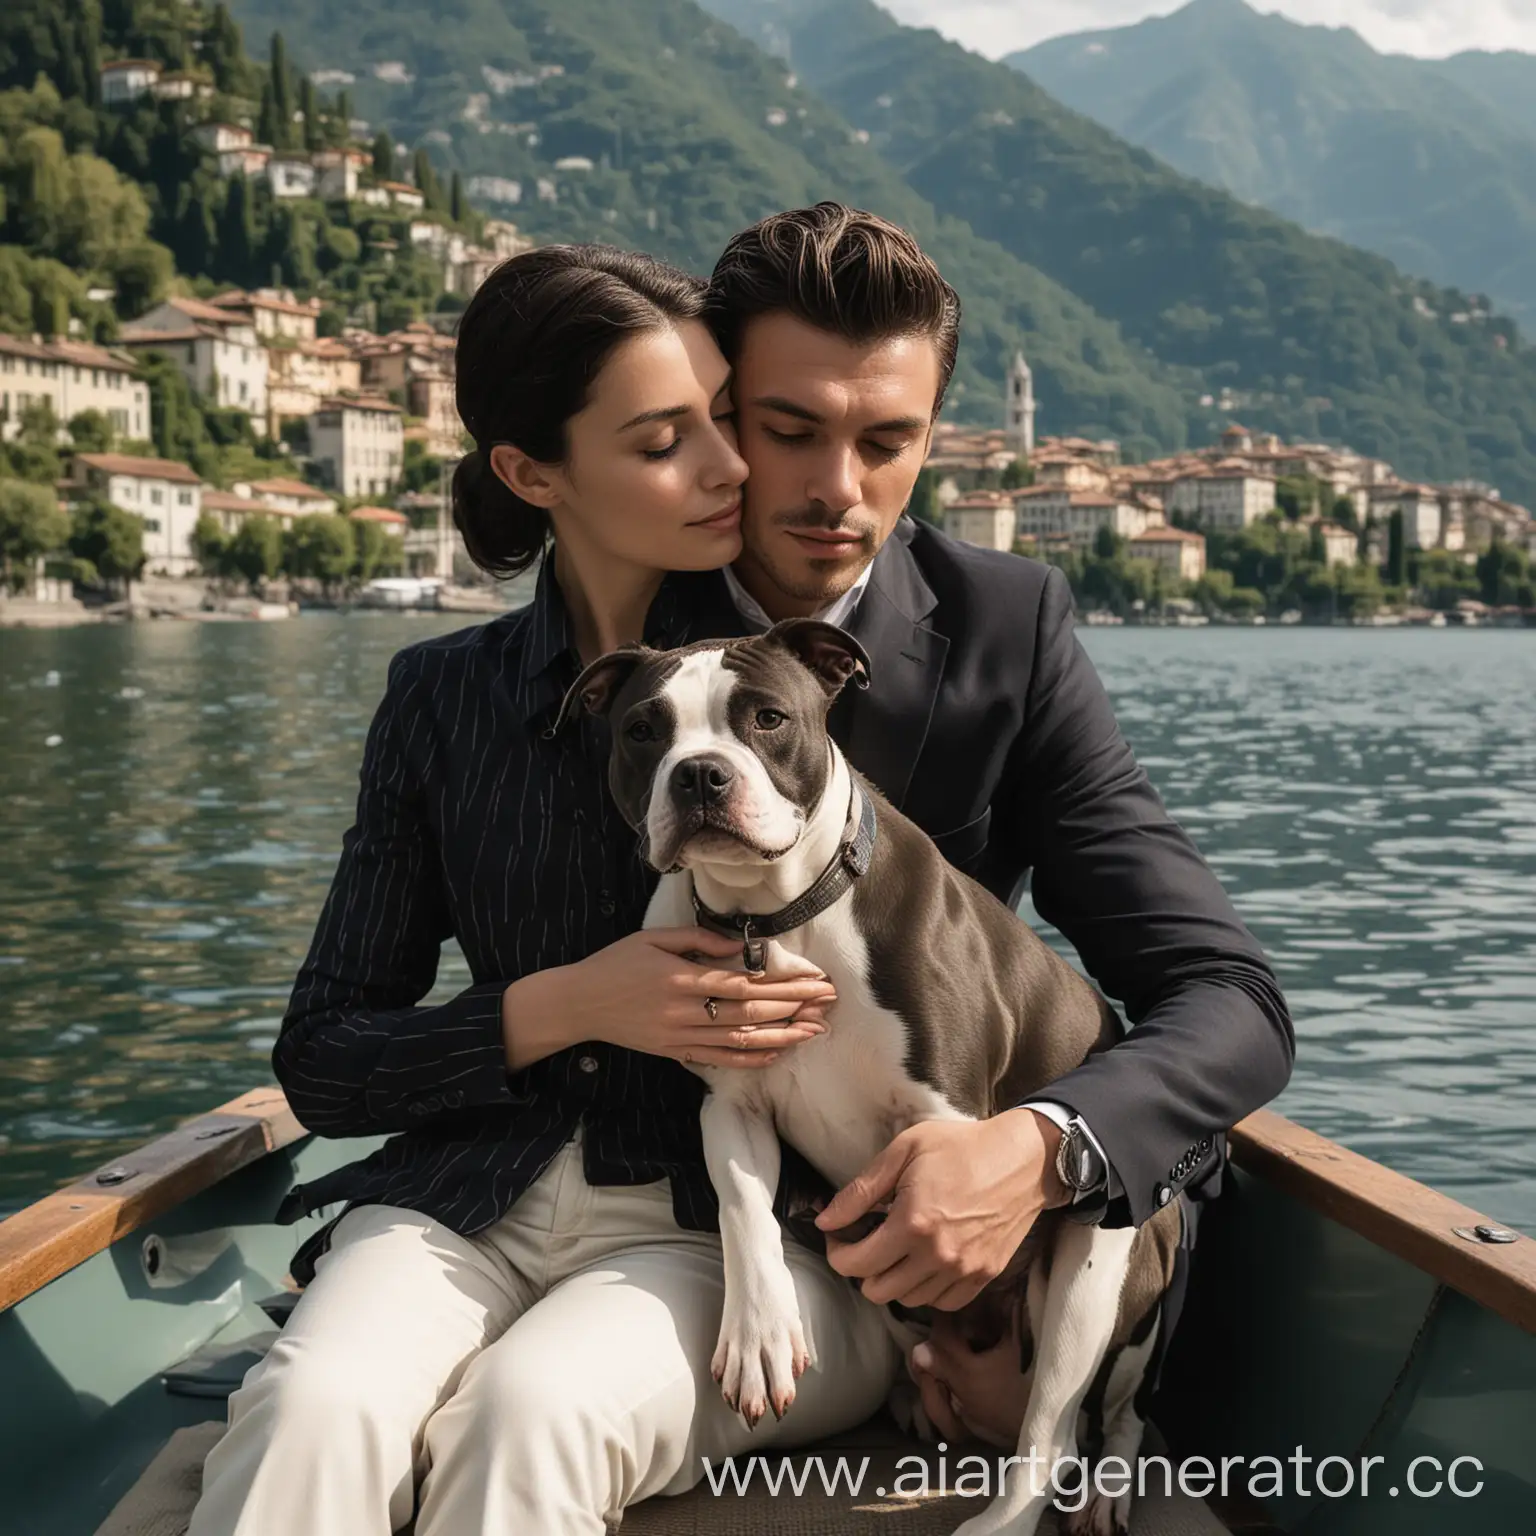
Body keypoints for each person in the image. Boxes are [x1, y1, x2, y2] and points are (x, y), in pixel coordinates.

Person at [194, 205, 1295, 1535]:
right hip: (492, 1194)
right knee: (314, 1407)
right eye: (780, 430)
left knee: (533, 1417)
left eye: (888, 440)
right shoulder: (554, 665)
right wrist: (572, 1003)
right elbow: (328, 1045)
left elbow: (1225, 996)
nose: (836, 486)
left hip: (778, 1236)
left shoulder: (1004, 633)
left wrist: (1035, 1155)